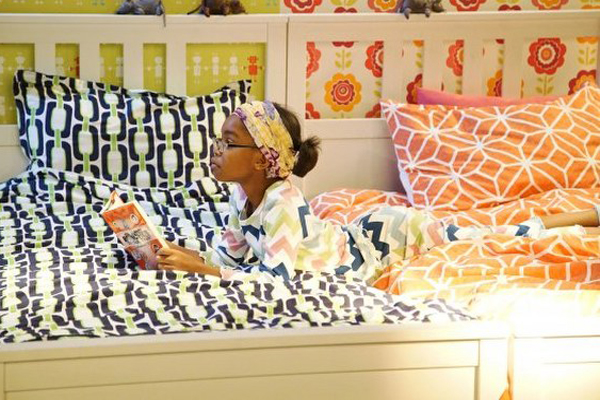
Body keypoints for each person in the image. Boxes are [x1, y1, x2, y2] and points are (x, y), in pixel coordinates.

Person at [156, 100, 600, 282]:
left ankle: (583, 216)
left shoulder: (282, 205)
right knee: (474, 229)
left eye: (228, 142)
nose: (216, 150)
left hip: (390, 237)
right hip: (359, 233)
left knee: (485, 233)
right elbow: (231, 257)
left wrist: (204, 271)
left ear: (261, 160)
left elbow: (278, 282)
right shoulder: (241, 198)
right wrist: (185, 255)